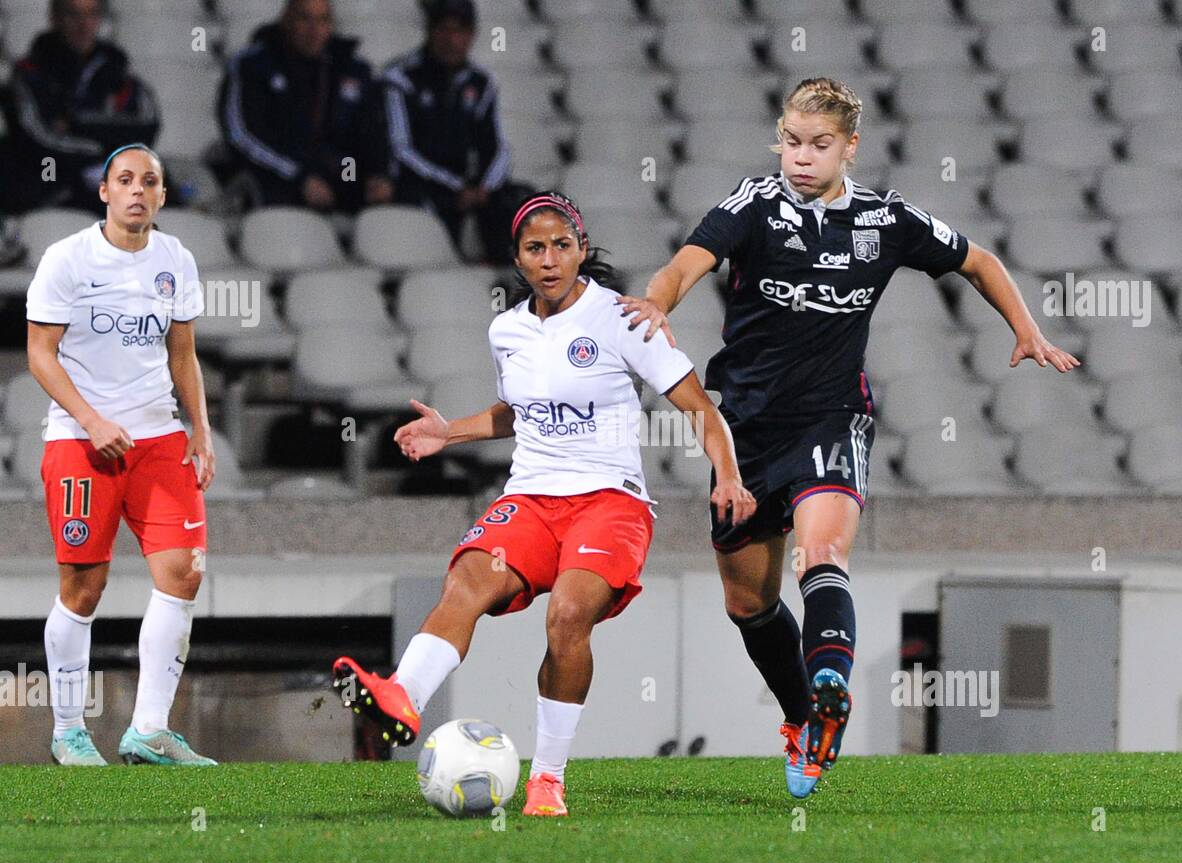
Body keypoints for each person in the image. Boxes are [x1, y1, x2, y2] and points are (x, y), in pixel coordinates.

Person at [620, 77, 1081, 798]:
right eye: (792, 141)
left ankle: (830, 679)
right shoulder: (755, 204)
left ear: (849, 148)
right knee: (748, 603)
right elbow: (688, 261)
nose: (800, 157)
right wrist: (657, 299)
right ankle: (807, 714)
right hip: (741, 432)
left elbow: (979, 261)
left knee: (823, 550)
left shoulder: (886, 219)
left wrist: (1024, 327)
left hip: (832, 417)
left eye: (818, 144)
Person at [332, 190, 755, 816]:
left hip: (610, 503)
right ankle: (403, 697)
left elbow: (697, 406)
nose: (551, 258)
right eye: (536, 248)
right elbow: (518, 413)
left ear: (582, 249)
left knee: (566, 616)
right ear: (518, 259)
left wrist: (727, 475)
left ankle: (547, 780)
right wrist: (449, 430)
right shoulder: (507, 329)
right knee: (466, 582)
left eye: (562, 245)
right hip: (531, 498)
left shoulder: (626, 319)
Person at [26, 143, 217, 766]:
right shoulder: (68, 260)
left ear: (162, 196)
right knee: (85, 587)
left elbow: (182, 353)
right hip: (82, 443)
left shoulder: (175, 259)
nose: (138, 190)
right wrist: (90, 419)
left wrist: (201, 428)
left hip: (159, 439)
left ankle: (148, 732)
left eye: (150, 181)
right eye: (126, 180)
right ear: (104, 192)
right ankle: (67, 731)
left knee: (183, 574)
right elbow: (40, 355)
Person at [381, 0, 530, 263]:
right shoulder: (400, 77)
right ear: (429, 31)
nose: (452, 40)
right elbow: (401, 149)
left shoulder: (480, 82)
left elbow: (497, 147)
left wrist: (484, 187)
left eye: (460, 31)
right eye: (444, 30)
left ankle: (509, 278)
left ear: (472, 35)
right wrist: (455, 187)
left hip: (467, 187)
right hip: (418, 185)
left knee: (523, 204)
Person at [217, 0, 391, 211]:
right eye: (304, 19)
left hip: (338, 177)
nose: (314, 30)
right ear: (286, 20)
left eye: (322, 20)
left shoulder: (350, 69)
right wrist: (299, 177)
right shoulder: (253, 65)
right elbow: (241, 136)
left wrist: (379, 173)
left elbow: (372, 131)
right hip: (275, 177)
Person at [1, 0, 159, 214]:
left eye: (91, 14)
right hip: (47, 182)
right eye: (72, 15)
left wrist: (76, 124)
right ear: (54, 19)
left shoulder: (117, 70)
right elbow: (36, 141)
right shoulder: (30, 74)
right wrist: (103, 151)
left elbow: (146, 126)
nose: (83, 25)